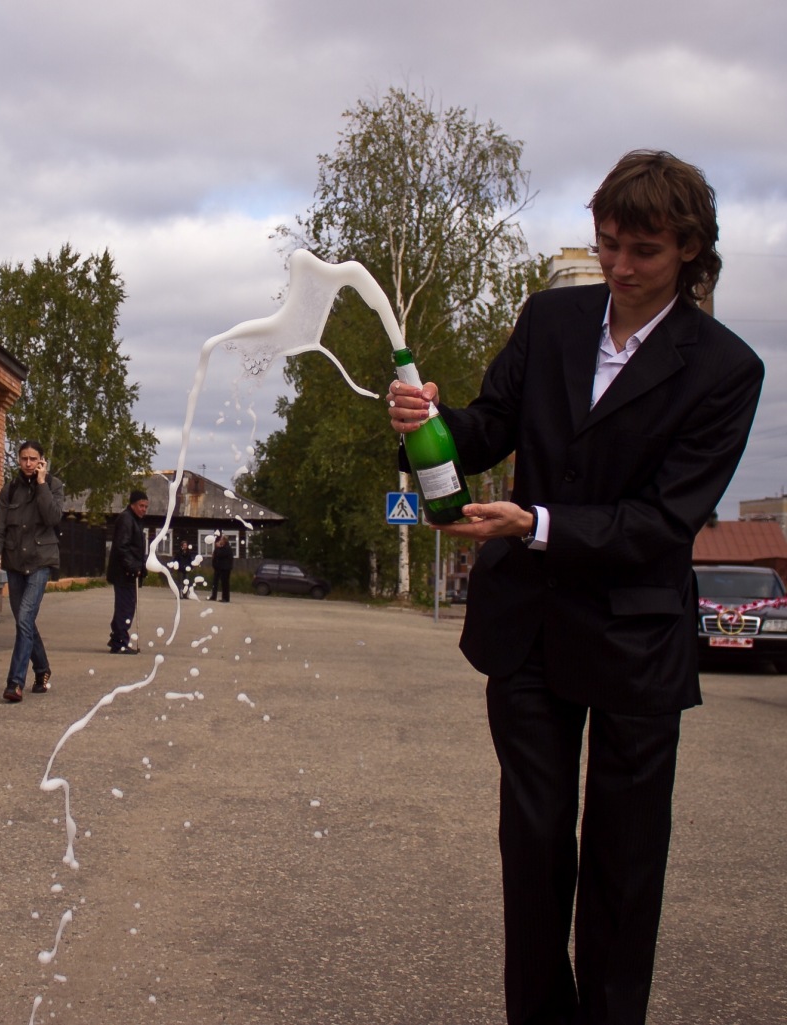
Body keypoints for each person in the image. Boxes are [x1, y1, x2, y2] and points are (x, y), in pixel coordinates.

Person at [387, 150, 764, 1025]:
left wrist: (537, 522)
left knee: (626, 865)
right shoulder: (551, 318)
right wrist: (426, 421)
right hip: (528, 625)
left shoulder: (726, 369)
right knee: (534, 845)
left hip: (636, 637)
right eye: (607, 244)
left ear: (690, 249)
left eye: (643, 251)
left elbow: (664, 521)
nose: (620, 267)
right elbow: (487, 426)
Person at [0, 441, 64, 702]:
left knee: (24, 617)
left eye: (33, 459)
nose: (28, 463)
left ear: (41, 461)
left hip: (40, 562)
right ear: (18, 459)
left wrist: (42, 483)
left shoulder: (54, 485)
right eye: (24, 458)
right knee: (24, 621)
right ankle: (42, 668)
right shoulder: (10, 489)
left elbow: (53, 518)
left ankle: (15, 683)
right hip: (14, 562)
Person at [106, 489, 148, 654]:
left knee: (127, 607)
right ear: (133, 505)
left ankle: (118, 638)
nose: (144, 509)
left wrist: (141, 566)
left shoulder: (135, 520)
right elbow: (121, 547)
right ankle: (120, 642)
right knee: (125, 608)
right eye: (141, 506)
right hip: (124, 573)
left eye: (146, 506)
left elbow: (135, 548)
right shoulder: (126, 519)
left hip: (128, 572)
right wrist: (133, 567)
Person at [209, 533, 234, 602]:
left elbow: (220, 554)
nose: (220, 541)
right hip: (218, 567)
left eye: (221, 540)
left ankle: (226, 598)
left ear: (224, 541)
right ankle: (214, 596)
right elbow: (215, 555)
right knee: (215, 582)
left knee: (225, 583)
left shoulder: (227, 548)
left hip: (225, 568)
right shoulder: (222, 547)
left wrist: (218, 547)